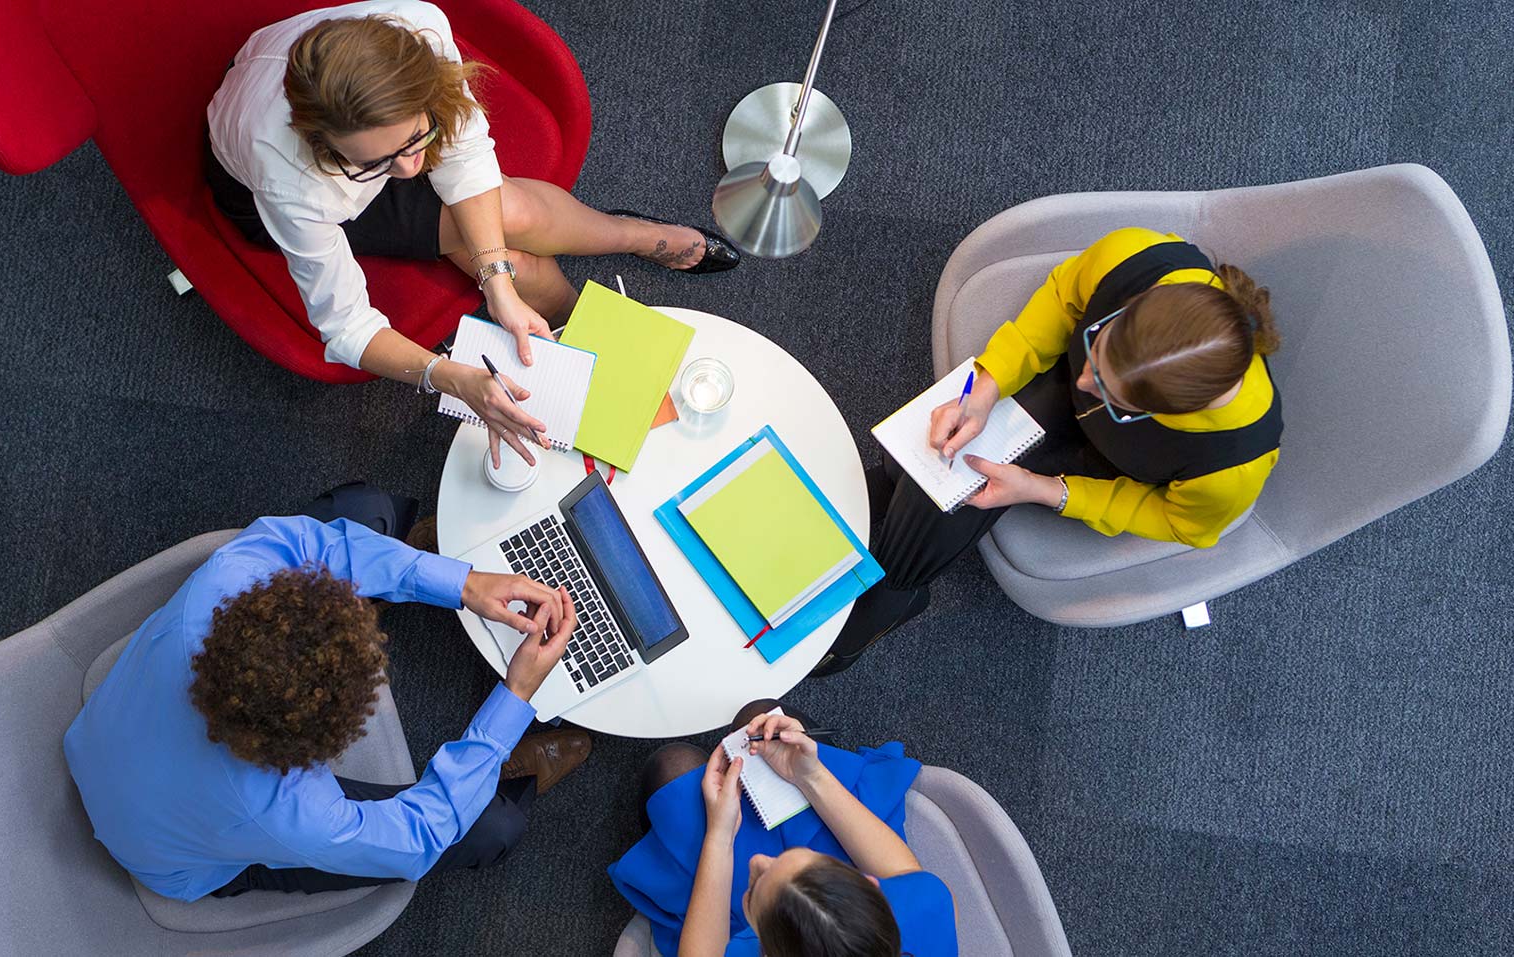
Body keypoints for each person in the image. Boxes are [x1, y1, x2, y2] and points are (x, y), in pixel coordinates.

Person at [206, 0, 739, 466]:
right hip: (301, 190)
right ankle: (575, 321)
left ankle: (634, 234)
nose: (413, 172)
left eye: (418, 139)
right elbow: (344, 329)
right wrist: (452, 375)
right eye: (384, 161)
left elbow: (463, 159)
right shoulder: (291, 180)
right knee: (521, 260)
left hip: (359, 132)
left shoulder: (417, 30)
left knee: (518, 216)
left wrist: (497, 286)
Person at [820, 227, 1284, 674]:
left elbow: (1174, 519)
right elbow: (1064, 300)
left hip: (1116, 467)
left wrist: (1045, 491)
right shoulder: (1135, 256)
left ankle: (891, 584)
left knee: (951, 500)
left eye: (1110, 395)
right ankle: (894, 539)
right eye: (1097, 350)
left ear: (1167, 414)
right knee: (943, 463)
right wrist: (988, 385)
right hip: (1058, 396)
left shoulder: (1232, 467)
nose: (1086, 382)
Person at [63, 515, 591, 900]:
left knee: (365, 504)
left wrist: (461, 583)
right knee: (491, 826)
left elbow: (304, 541)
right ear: (320, 743)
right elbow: (419, 840)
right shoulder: (294, 814)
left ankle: (405, 579)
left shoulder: (225, 580)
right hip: (176, 865)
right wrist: (513, 699)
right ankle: (499, 771)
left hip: (99, 738)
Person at [612, 702, 957, 957]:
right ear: (870, 887)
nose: (760, 859)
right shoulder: (927, 905)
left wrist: (720, 836)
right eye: (804, 858)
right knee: (759, 717)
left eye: (756, 885)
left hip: (729, 921)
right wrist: (809, 775)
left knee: (673, 767)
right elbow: (902, 872)